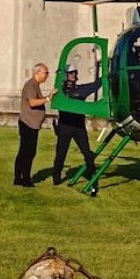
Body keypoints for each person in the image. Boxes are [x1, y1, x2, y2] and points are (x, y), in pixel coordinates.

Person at [52, 65, 100, 194]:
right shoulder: (60, 91)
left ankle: (93, 179)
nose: (73, 75)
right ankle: (56, 178)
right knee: (61, 153)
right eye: (70, 73)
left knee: (87, 152)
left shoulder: (80, 89)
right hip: (65, 126)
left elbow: (96, 85)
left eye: (74, 72)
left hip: (78, 126)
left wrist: (106, 74)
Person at [14, 63, 54, 187]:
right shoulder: (31, 85)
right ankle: (25, 179)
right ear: (37, 73)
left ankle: (18, 178)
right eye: (45, 73)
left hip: (31, 124)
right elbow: (32, 102)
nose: (47, 75)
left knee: (24, 151)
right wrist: (47, 98)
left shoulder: (35, 85)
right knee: (28, 152)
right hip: (28, 124)